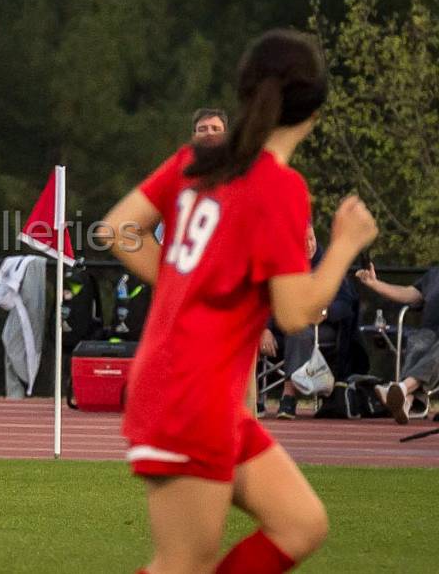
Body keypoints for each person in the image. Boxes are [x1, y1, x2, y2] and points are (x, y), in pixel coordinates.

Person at [101, 28, 377, 573]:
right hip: (189, 399)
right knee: (183, 565)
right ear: (315, 108)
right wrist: (344, 247)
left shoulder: (198, 162)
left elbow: (119, 228)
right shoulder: (277, 186)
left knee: (301, 523)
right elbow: (298, 312)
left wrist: (185, 284)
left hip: (201, 397)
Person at [260, 225, 361, 419]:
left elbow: (346, 304)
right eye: (302, 240)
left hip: (322, 329)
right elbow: (263, 303)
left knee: (298, 331)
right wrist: (264, 329)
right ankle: (249, 400)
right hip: (283, 329)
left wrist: (324, 311)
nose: (308, 245)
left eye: (311, 239)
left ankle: (288, 398)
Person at [356, 263, 439, 424]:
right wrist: (375, 284)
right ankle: (406, 400)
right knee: (418, 342)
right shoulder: (434, 274)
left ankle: (403, 388)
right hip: (430, 332)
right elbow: (410, 294)